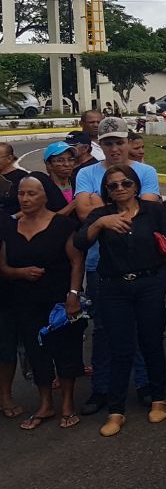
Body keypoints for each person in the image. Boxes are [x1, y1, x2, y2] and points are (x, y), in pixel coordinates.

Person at [77, 164, 166, 436]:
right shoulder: (102, 215)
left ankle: (158, 399)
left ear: (135, 185)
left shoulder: (155, 212)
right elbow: (80, 242)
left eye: (125, 183)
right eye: (113, 186)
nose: (120, 189)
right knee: (119, 348)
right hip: (114, 287)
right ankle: (116, 410)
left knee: (151, 343)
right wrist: (101, 223)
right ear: (107, 191)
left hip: (151, 283)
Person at [72, 116, 162, 417]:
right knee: (104, 330)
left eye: (119, 142)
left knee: (139, 330)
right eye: (108, 142)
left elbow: (146, 210)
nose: (114, 148)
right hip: (101, 264)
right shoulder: (85, 173)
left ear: (128, 143)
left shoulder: (146, 171)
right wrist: (105, 213)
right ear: (100, 143)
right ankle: (103, 387)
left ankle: (145, 384)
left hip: (140, 261)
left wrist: (103, 209)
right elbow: (85, 212)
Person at [2, 177, 85, 430]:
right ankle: (46, 403)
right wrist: (19, 273)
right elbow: (3, 265)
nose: (25, 199)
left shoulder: (62, 225)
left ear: (45, 196)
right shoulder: (11, 227)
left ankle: (68, 403)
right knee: (36, 352)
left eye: (32, 194)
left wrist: (73, 295)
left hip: (59, 300)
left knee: (65, 350)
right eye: (22, 194)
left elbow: (76, 262)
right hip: (25, 301)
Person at [30, 141, 77, 215]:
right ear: (49, 165)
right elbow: (41, 219)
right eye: (60, 160)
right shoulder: (43, 188)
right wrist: (73, 204)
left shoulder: (78, 183)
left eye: (70, 159)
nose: (67, 164)